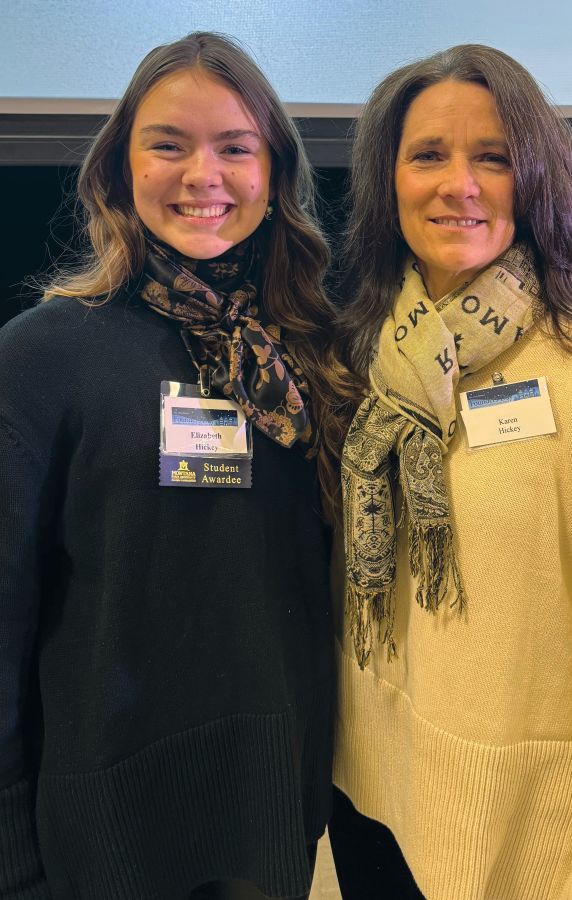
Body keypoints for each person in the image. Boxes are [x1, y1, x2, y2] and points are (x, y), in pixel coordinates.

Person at [0, 31, 348, 900]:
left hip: (273, 812)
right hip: (97, 831)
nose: (205, 176)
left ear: (275, 176)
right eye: (168, 144)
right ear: (119, 167)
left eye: (236, 147)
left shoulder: (314, 359)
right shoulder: (40, 358)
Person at [328, 44, 572, 899]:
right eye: (428, 154)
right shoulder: (368, 365)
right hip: (369, 808)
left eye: (494, 158)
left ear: (535, 178)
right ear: (385, 181)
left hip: (524, 849)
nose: (458, 185)